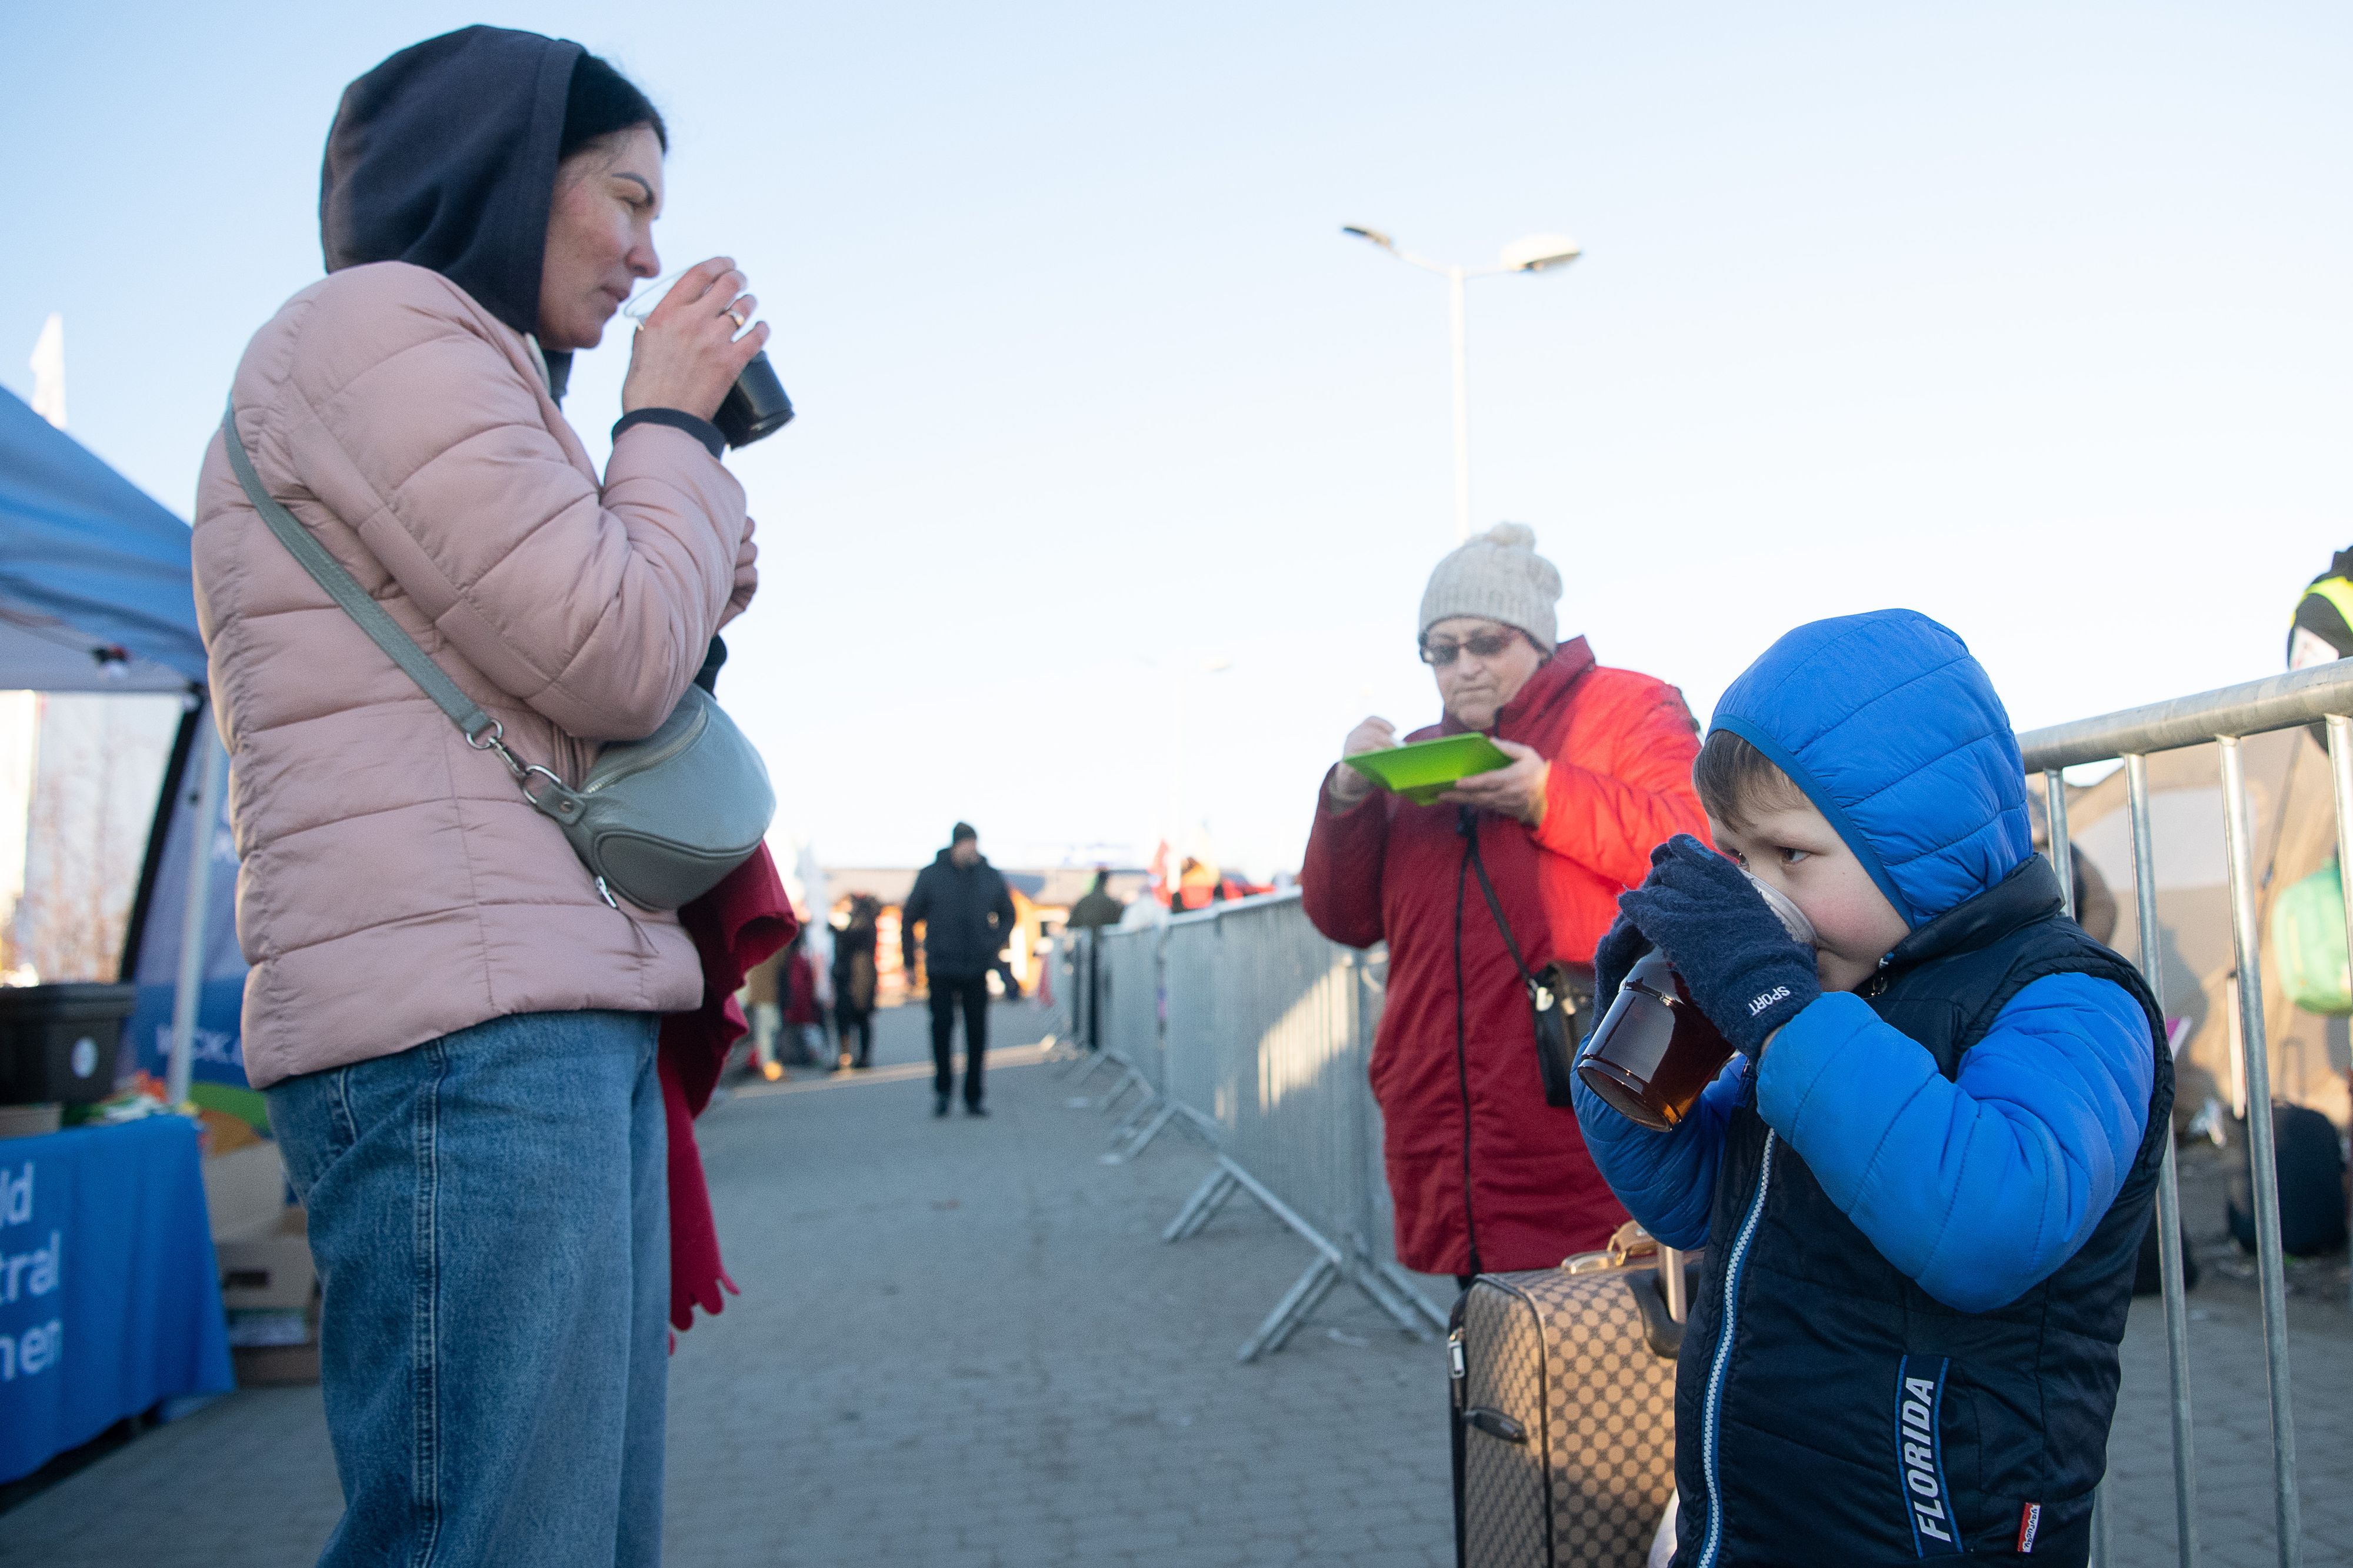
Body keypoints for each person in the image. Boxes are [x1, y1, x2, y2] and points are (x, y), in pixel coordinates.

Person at [190, 29, 765, 1567]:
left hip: (509, 1007)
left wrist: (676, 504)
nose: (649, 256)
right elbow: (616, 656)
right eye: (627, 199)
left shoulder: (459, 374)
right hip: (465, 1033)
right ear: (510, 176)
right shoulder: (380, 331)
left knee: (562, 1536)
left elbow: (605, 648)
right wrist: (668, 434)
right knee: (497, 1537)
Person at [1574, 609, 2169, 1566]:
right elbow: (1688, 1199)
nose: (1761, 893)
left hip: (1938, 1530)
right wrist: (1627, 1046)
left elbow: (1988, 1223)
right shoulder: (1821, 1004)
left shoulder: (2068, 1002)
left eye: (1791, 857)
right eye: (1736, 859)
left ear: (1916, 842)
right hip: (1758, 1522)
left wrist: (1777, 1007)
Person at [1300, 523, 1710, 1283]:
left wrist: (1549, 795)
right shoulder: (1417, 753)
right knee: (1486, 1369)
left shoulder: (1623, 706)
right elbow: (1344, 917)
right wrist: (1348, 796)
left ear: (1536, 638)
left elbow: (1699, 844)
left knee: (1604, 1362)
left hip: (1582, 1108)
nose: (1464, 668)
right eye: (1442, 650)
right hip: (1449, 1119)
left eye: (1486, 642)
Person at [902, 822, 1016, 1117]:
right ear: (956, 845)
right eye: (968, 844)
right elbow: (909, 918)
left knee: (977, 1034)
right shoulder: (931, 876)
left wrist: (992, 943)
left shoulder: (989, 876)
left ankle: (974, 1096)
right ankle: (942, 1092)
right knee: (941, 1030)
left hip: (977, 968)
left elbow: (1008, 914)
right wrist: (909, 963)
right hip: (941, 967)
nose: (973, 850)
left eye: (975, 844)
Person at [1066, 868, 1126, 1052]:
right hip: (1102, 952)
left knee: (1086, 998)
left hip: (1085, 953)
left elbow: (1071, 923)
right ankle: (1098, 1043)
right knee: (1101, 1000)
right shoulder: (1109, 902)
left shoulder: (1085, 900)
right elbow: (1118, 925)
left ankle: (1087, 1038)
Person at [831, 894, 882, 1069]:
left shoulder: (863, 920)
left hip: (858, 976)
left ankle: (857, 1057)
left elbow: (852, 939)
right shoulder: (862, 919)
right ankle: (855, 1056)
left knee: (857, 1016)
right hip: (857, 975)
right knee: (856, 1018)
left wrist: (834, 930)